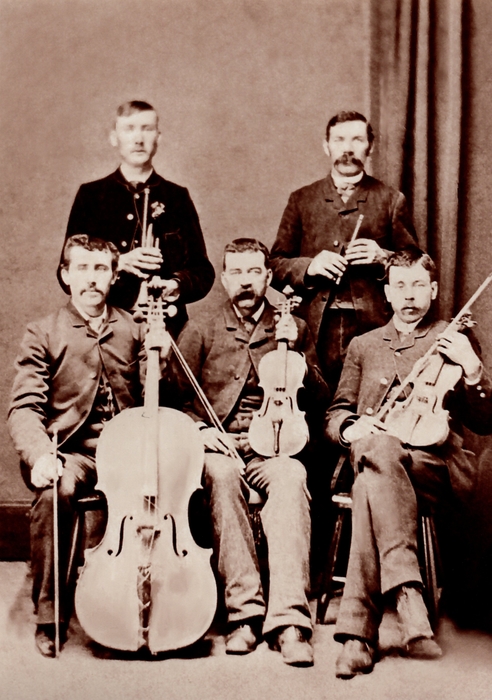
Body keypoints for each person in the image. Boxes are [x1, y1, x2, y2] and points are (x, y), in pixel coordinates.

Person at [325, 247, 492, 678]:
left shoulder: (453, 337)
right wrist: (348, 429)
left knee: (372, 467)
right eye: (400, 284)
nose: (409, 294)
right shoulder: (363, 345)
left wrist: (472, 370)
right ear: (386, 292)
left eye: (419, 284)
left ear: (433, 290)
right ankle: (399, 606)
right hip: (379, 462)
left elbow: (486, 420)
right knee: (376, 457)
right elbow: (338, 410)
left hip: (433, 467)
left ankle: (359, 635)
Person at [8, 235, 170, 658]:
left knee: (172, 479)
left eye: (100, 269)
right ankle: (50, 613)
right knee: (55, 490)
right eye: (82, 268)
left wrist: (161, 359)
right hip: (74, 453)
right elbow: (24, 408)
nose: (91, 279)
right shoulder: (42, 332)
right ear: (66, 275)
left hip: (131, 450)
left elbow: (161, 398)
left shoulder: (136, 328)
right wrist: (41, 453)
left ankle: (162, 601)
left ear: (115, 276)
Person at [175, 238, 330, 666]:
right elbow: (175, 400)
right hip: (220, 445)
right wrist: (202, 431)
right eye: (237, 273)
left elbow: (319, 396)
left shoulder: (291, 324)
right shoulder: (201, 328)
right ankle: (243, 615)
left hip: (275, 446)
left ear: (267, 277)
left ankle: (289, 621)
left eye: (253, 272)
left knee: (292, 478)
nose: (245, 282)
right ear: (225, 280)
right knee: (222, 476)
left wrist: (296, 345)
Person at [270, 110, 418, 394]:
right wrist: (309, 267)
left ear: (370, 147)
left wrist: (382, 257)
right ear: (326, 146)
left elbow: (415, 265)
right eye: (339, 140)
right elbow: (274, 266)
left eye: (357, 140)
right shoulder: (301, 200)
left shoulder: (390, 199)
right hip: (313, 328)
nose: (347, 149)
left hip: (373, 328)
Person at [59, 100, 215, 337]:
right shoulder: (91, 195)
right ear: (114, 137)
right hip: (103, 331)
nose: (138, 139)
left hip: (166, 328)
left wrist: (174, 284)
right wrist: (117, 263)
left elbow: (203, 271)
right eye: (129, 129)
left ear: (158, 138)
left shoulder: (177, 197)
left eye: (147, 129)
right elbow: (66, 274)